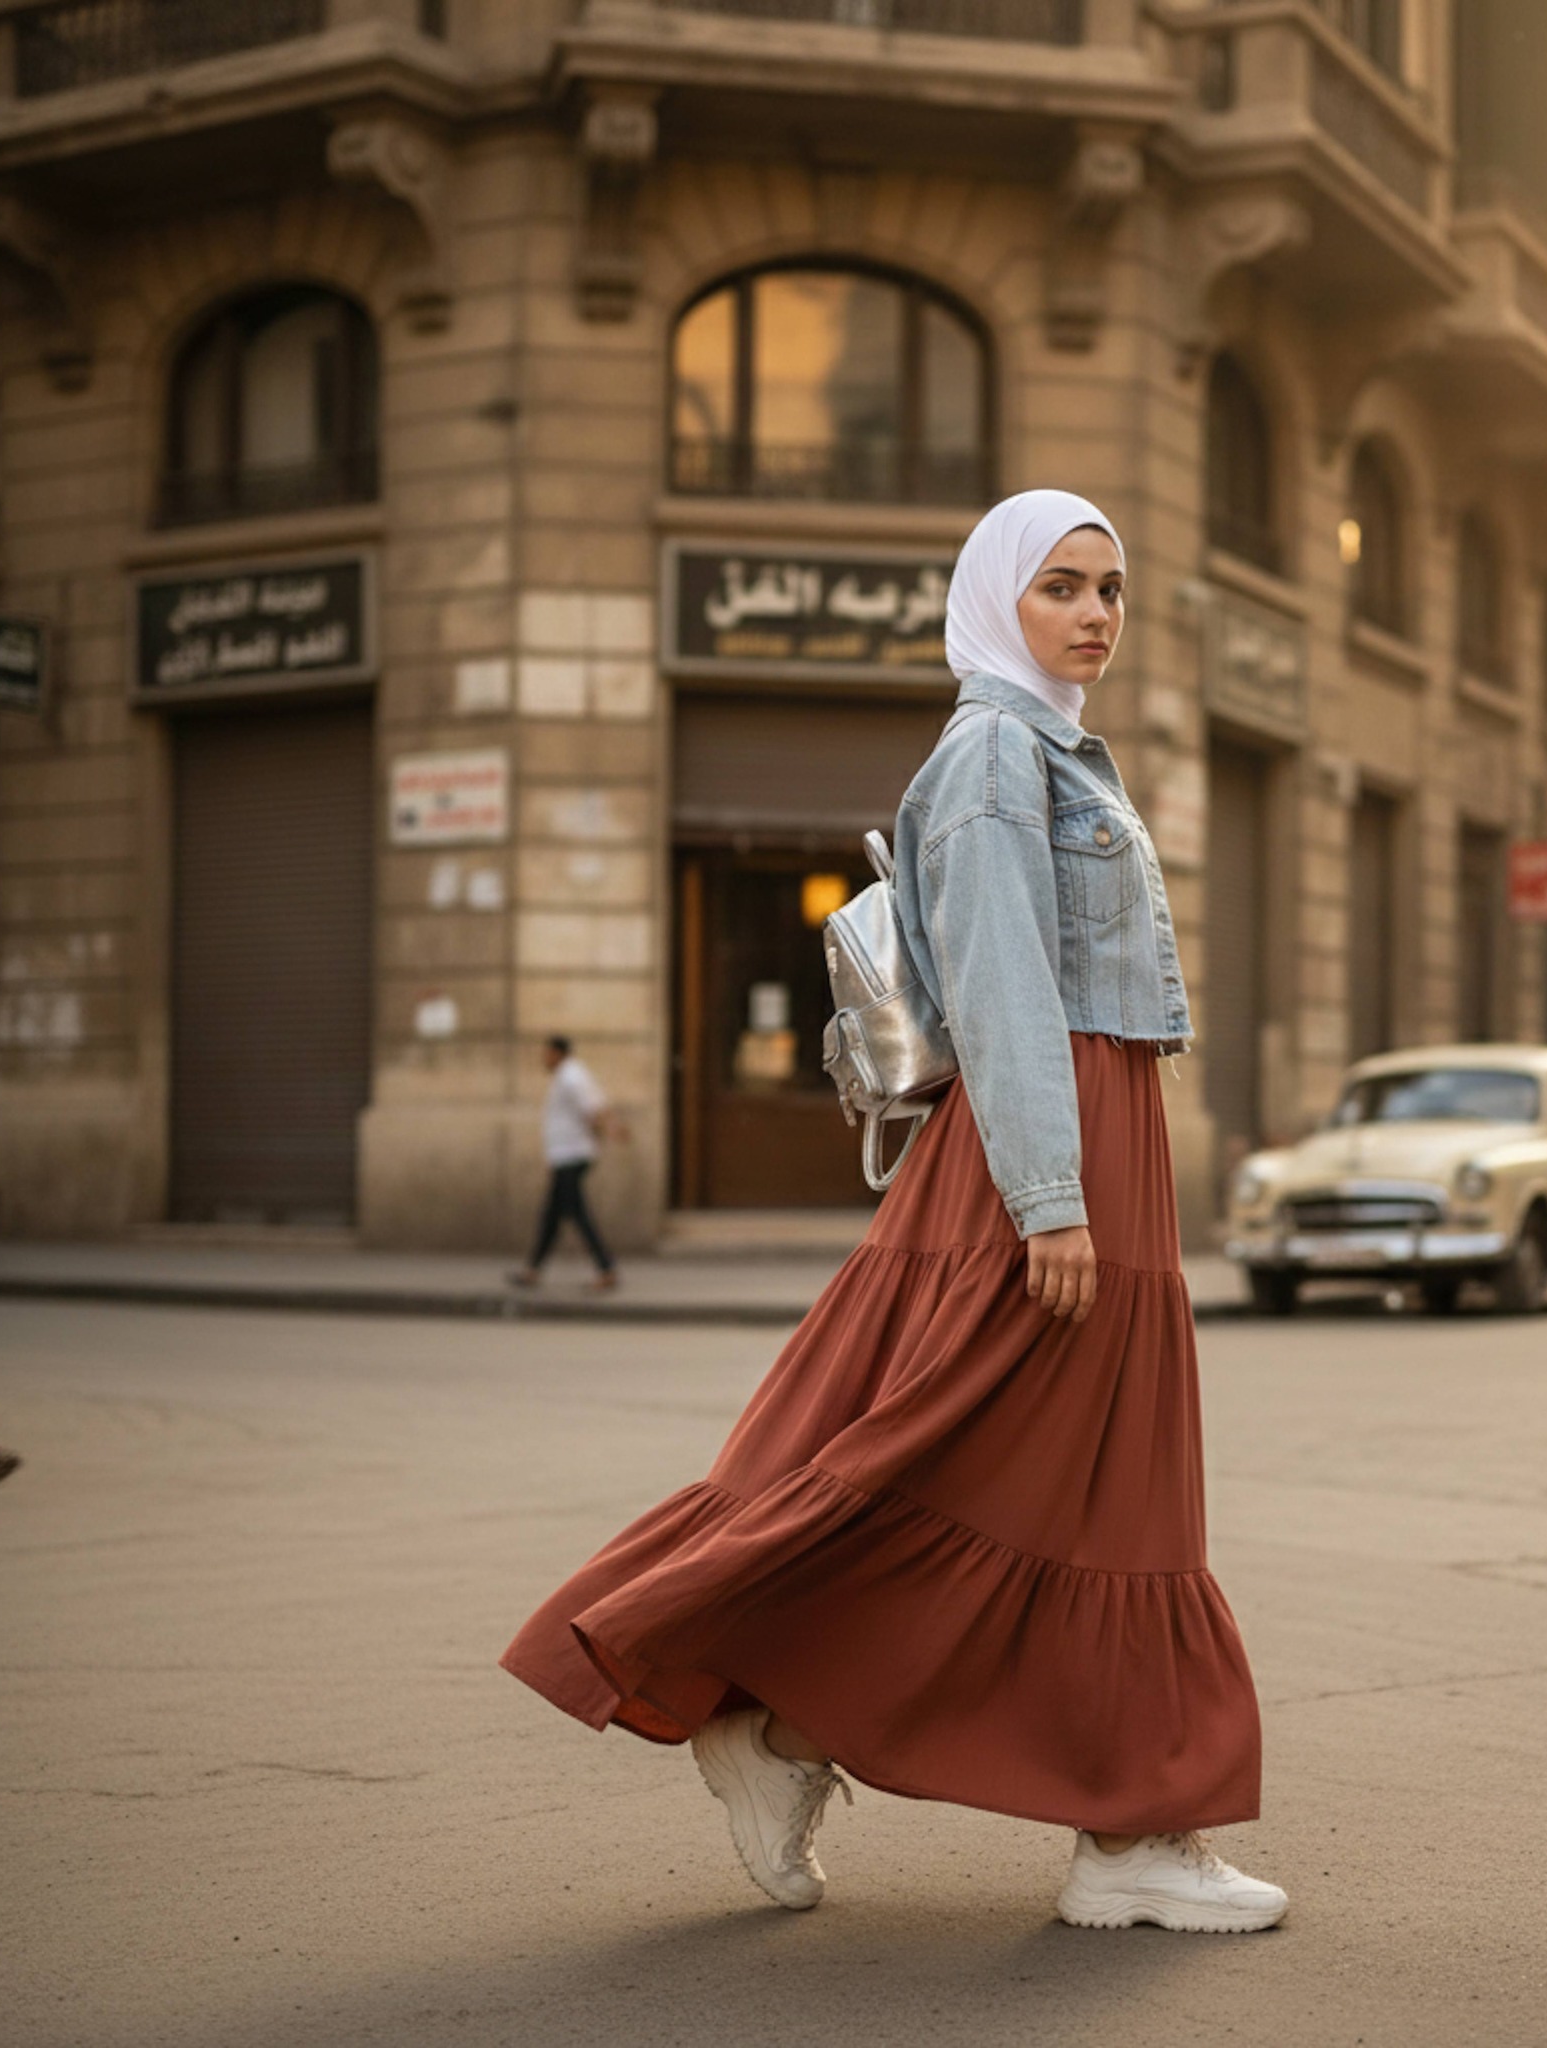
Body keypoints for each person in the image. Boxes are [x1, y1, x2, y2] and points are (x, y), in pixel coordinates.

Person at [501, 491, 1284, 1935]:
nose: (1096, 613)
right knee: (1030, 1467)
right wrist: (1053, 1199)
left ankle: (818, 1745)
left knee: (1042, 1473)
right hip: (1053, 1142)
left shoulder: (1050, 745)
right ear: (999, 601)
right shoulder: (997, 754)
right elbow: (999, 988)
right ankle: (1126, 1834)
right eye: (1061, 586)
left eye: (1111, 587)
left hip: (1088, 1130)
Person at [508, 1036, 619, 1293]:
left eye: (546, 1054)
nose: (543, 1059)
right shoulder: (570, 1075)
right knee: (552, 1215)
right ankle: (533, 1270)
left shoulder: (571, 1077)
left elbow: (592, 1108)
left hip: (572, 1154)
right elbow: (598, 1102)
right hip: (564, 1155)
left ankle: (606, 1269)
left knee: (577, 1213)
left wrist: (610, 1129)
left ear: (558, 1053)